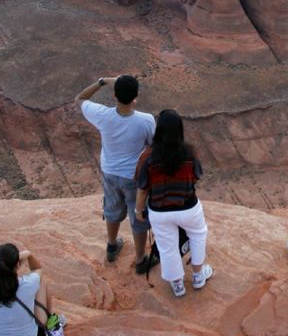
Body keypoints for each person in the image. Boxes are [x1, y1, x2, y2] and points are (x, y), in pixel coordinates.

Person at [76, 74, 157, 274]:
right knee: (138, 215)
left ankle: (112, 245)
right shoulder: (146, 121)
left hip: (110, 172)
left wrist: (102, 81)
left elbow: (80, 99)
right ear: (136, 95)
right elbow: (152, 145)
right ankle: (140, 259)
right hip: (134, 177)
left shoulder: (102, 115)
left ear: (114, 95)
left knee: (111, 209)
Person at [134, 109, 211, 297]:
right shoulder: (189, 153)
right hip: (188, 207)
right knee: (198, 235)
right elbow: (196, 177)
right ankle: (198, 276)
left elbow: (142, 187)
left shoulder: (148, 156)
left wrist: (138, 209)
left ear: (158, 130)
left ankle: (177, 284)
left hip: (160, 211)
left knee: (167, 246)